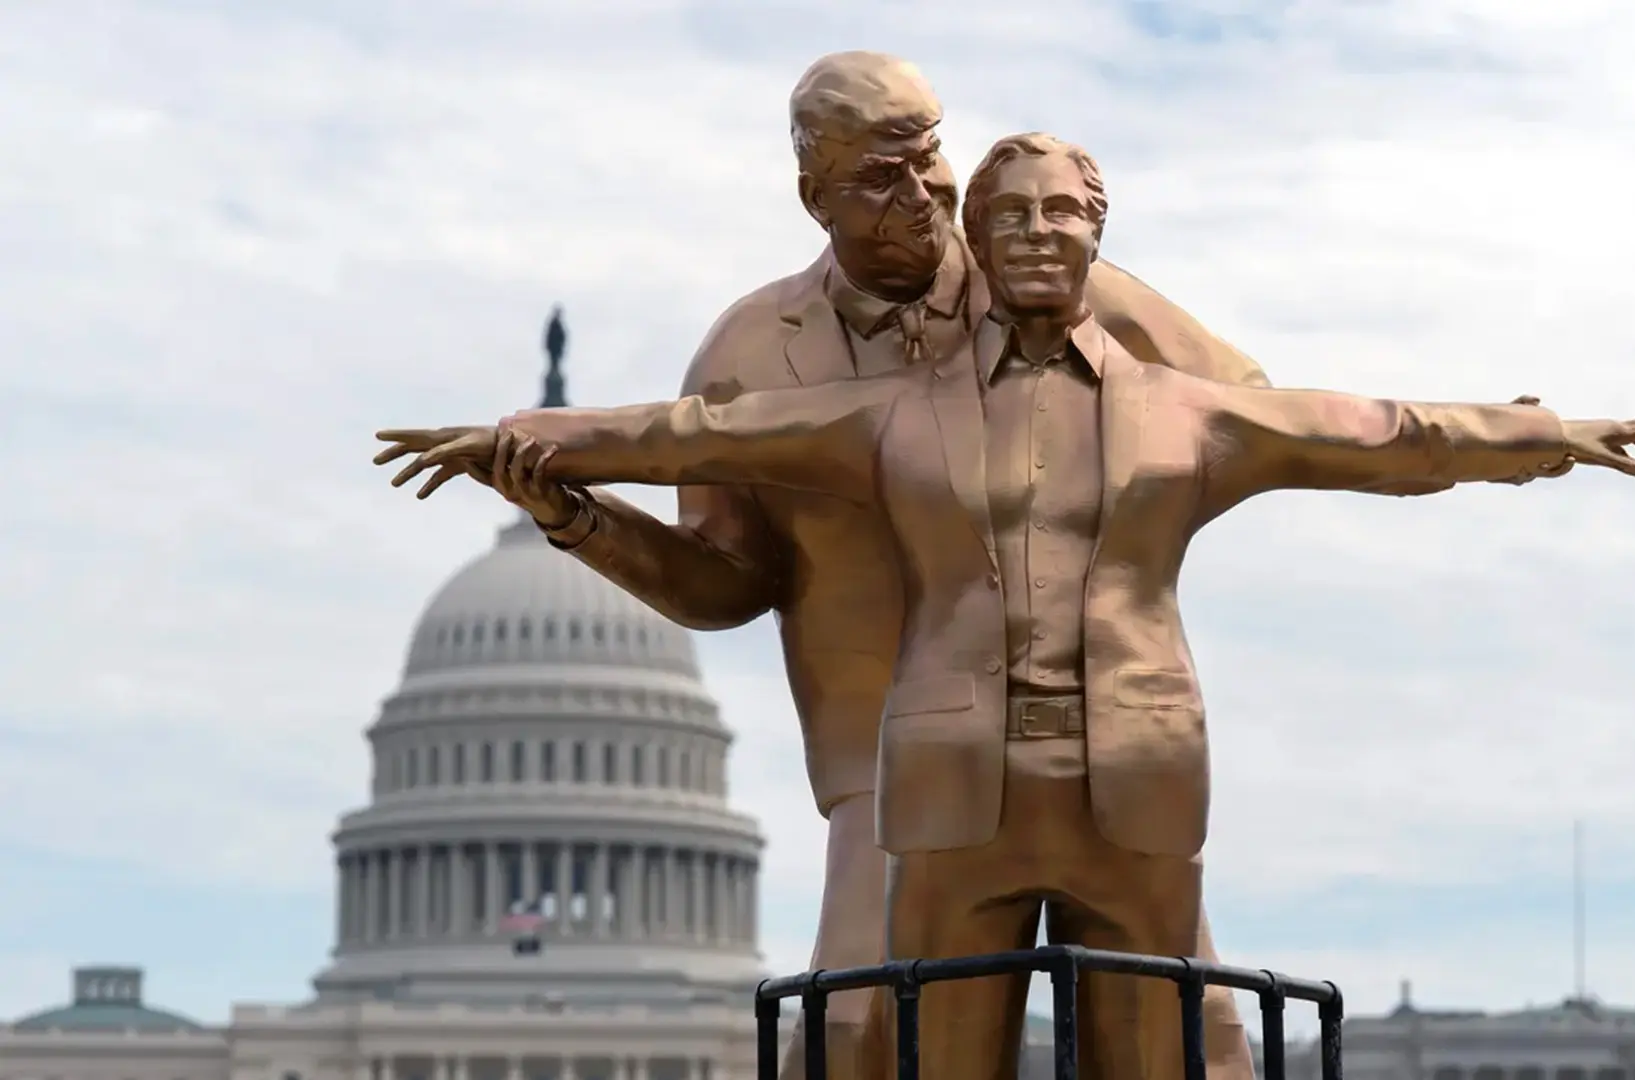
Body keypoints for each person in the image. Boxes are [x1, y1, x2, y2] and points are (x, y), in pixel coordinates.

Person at [376, 131, 1635, 1080]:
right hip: (949, 787)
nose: (1040, 236)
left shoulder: (1190, 411)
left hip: (1142, 775)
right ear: (976, 250)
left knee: (1154, 1060)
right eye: (1010, 220)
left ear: (1098, 236)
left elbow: (1382, 433)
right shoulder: (889, 415)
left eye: (1064, 214)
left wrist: (1541, 432)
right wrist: (532, 441)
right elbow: (694, 433)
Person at [383, 50, 1350, 1080]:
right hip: (886, 770)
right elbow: (724, 582)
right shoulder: (751, 351)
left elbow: (1245, 407)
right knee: (859, 1034)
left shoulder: (1055, 280)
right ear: (817, 195)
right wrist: (578, 519)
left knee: (1190, 1043)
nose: (923, 192)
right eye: (881, 175)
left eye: (930, 156)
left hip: (1086, 735)